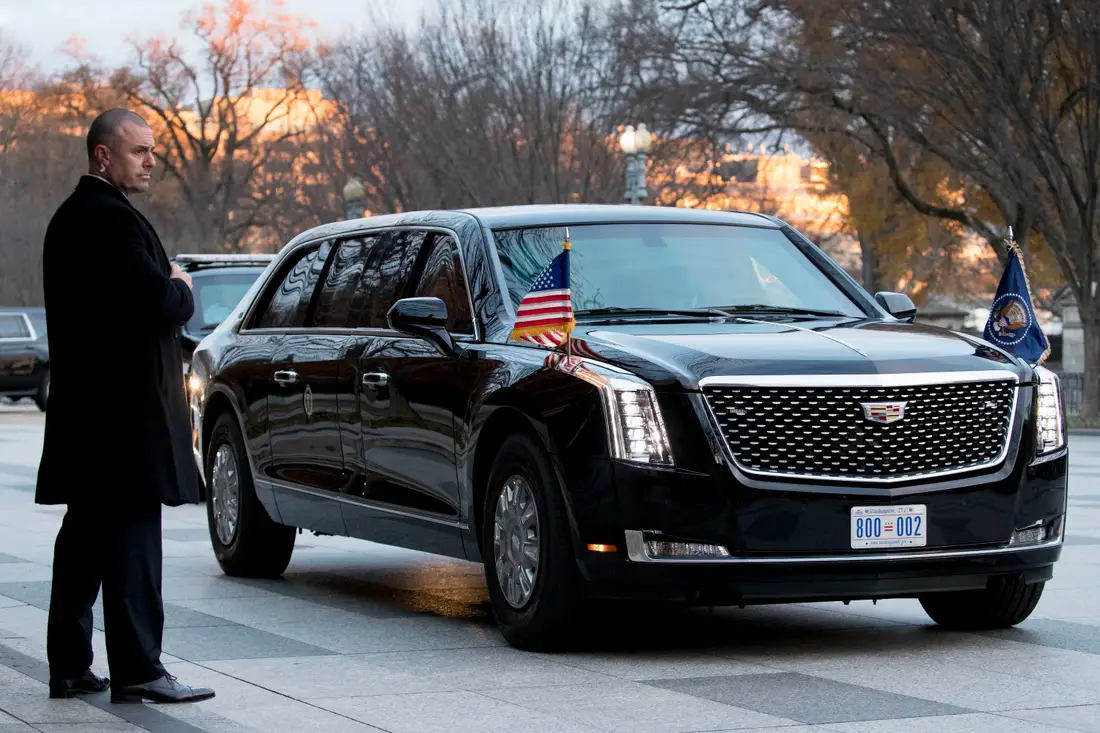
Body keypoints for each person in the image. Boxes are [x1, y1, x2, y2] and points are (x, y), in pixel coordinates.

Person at [36, 108, 215, 704]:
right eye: (139, 151)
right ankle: (139, 669)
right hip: (124, 422)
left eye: (153, 151)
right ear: (103, 156)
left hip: (91, 419)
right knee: (134, 544)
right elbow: (159, 302)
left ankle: (70, 665)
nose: (151, 161)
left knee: (84, 539)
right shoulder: (109, 221)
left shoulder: (72, 219)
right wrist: (184, 287)